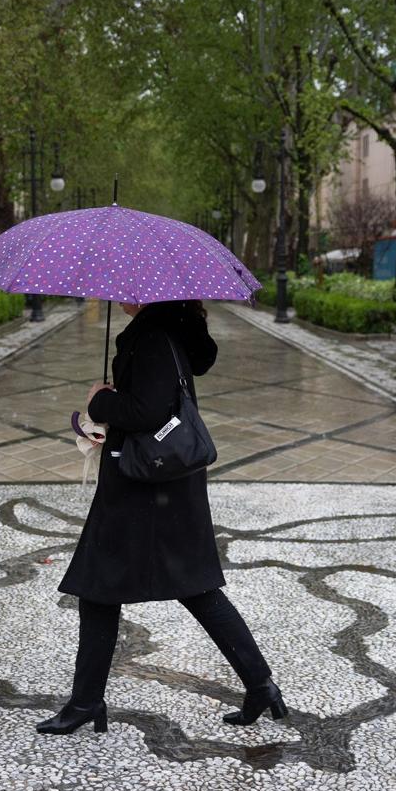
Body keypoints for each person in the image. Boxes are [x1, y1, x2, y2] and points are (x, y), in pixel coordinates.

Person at [37, 299, 285, 736]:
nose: (118, 295)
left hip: (143, 487)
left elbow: (145, 412)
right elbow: (157, 399)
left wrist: (101, 404)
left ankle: (85, 703)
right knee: (183, 586)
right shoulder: (171, 331)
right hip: (164, 484)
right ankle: (260, 684)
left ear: (149, 295)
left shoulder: (152, 338)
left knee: (103, 586)